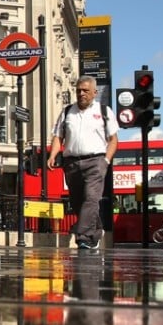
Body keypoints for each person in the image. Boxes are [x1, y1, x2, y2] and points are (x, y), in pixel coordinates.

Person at [48, 75, 119, 249]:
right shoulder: (67, 112)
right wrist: (52, 155)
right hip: (71, 163)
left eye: (86, 91)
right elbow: (58, 136)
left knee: (91, 198)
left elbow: (113, 139)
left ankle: (84, 238)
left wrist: (106, 161)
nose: (81, 94)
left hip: (95, 161)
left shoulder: (104, 111)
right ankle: (97, 230)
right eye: (79, 90)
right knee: (77, 202)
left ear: (94, 92)